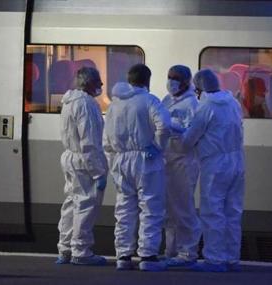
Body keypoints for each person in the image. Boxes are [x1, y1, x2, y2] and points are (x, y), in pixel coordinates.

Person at [103, 64, 170, 271]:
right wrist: (157, 147)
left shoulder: (115, 104)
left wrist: (114, 158)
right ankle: (147, 256)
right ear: (147, 81)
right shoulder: (150, 101)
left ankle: (123, 255)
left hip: (121, 160)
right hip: (146, 159)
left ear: (129, 79)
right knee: (150, 207)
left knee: (124, 208)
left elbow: (106, 139)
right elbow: (165, 126)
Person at [182, 69, 245, 272]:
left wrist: (179, 131)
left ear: (199, 89)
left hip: (215, 163)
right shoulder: (233, 102)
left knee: (213, 211)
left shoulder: (206, 107)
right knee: (233, 211)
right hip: (237, 160)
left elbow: (189, 139)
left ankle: (215, 260)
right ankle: (232, 258)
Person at [56, 67, 109, 266]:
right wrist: (98, 172)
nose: (101, 86)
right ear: (89, 83)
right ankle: (81, 250)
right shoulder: (86, 105)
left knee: (71, 204)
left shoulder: (69, 102)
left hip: (70, 158)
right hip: (84, 162)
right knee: (85, 205)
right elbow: (90, 142)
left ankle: (65, 248)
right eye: (98, 82)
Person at [161, 65, 201, 267]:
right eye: (169, 77)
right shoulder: (167, 100)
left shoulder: (193, 104)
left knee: (184, 209)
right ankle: (171, 251)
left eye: (175, 78)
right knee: (169, 210)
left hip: (184, 162)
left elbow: (192, 136)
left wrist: (176, 129)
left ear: (186, 81)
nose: (171, 82)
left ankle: (187, 252)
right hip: (167, 161)